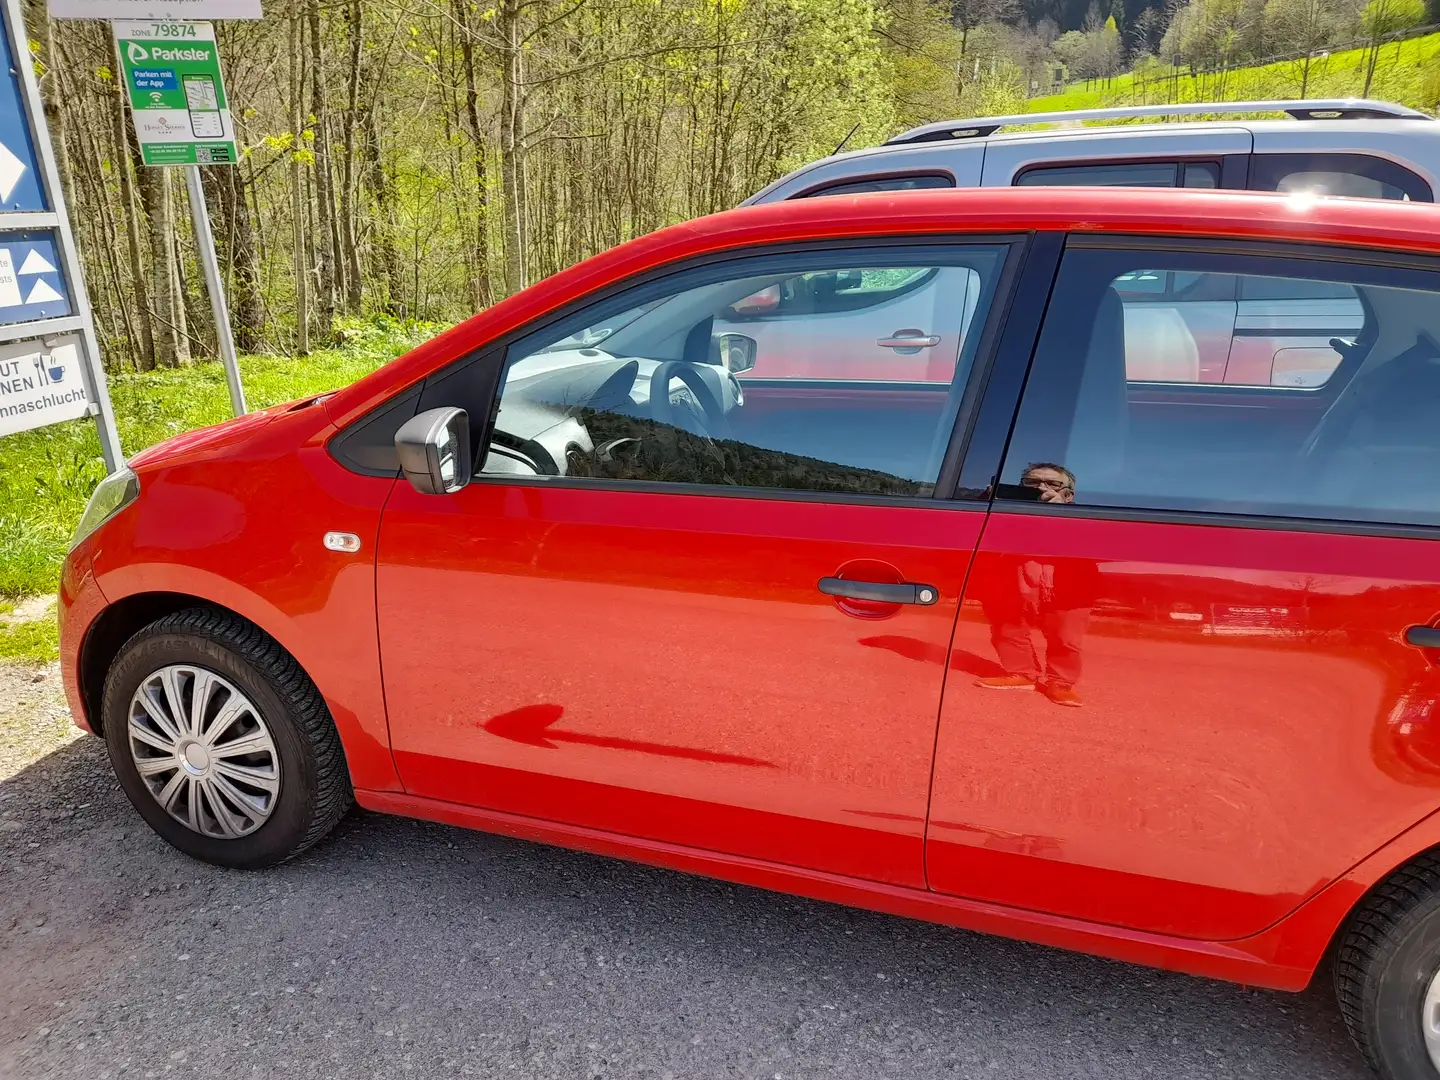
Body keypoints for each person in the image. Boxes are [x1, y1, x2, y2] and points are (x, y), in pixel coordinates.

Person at [974, 463, 1099, 708]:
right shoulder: (1007, 510)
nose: (1041, 488)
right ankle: (1021, 674)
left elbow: (1093, 546)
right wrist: (985, 501)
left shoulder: (1085, 517)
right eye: (1032, 483)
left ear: (1068, 494)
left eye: (1052, 484)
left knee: (1066, 637)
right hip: (1011, 581)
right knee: (1006, 628)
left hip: (1068, 587)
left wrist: (1061, 514)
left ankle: (1060, 683)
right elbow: (976, 532)